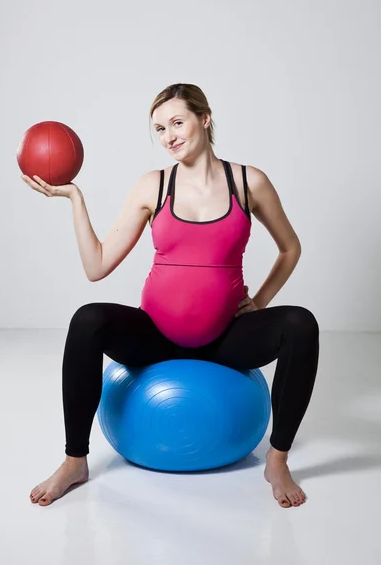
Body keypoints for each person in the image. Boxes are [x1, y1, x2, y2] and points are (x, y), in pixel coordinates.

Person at [22, 83, 319, 509]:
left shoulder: (248, 181)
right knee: (88, 318)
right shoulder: (152, 186)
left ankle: (278, 459)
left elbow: (290, 247)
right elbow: (97, 266)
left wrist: (262, 301)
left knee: (301, 324)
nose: (169, 136)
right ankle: (75, 459)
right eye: (159, 128)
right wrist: (75, 199)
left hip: (226, 339)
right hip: (156, 337)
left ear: (205, 118)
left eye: (177, 122)